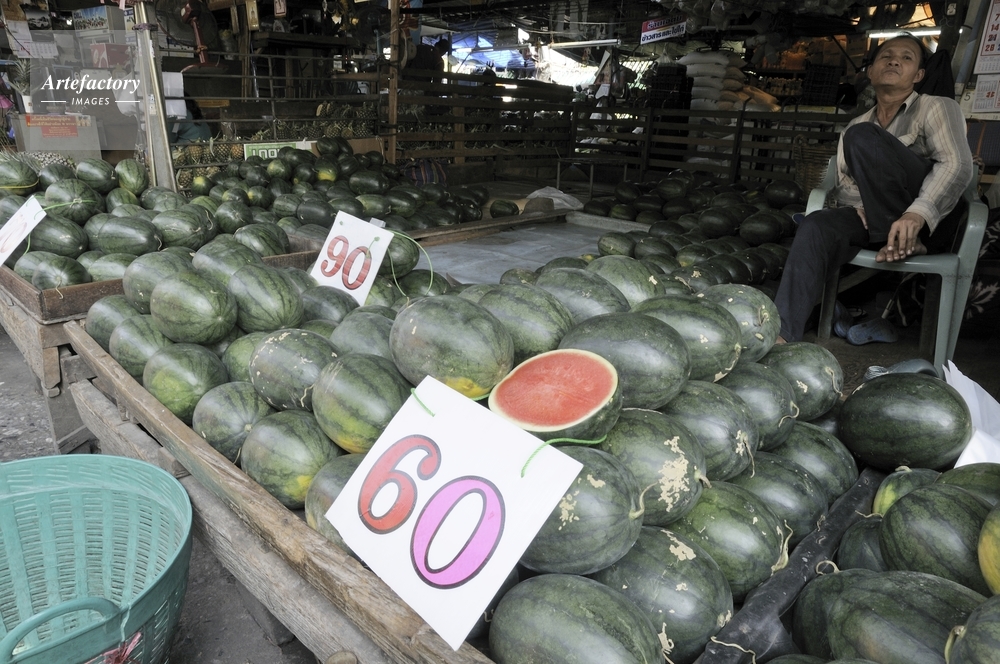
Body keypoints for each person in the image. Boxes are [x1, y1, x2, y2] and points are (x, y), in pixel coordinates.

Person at [773, 34, 974, 344]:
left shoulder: (936, 107)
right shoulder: (855, 126)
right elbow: (846, 187)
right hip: (880, 226)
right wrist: (863, 208)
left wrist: (915, 215)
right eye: (886, 56)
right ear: (870, 71)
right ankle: (781, 336)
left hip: (930, 221)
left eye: (906, 57)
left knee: (865, 137)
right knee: (815, 225)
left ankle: (911, 237)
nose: (894, 61)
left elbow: (956, 165)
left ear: (919, 75)